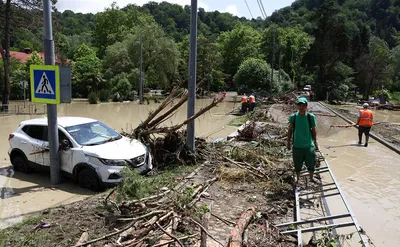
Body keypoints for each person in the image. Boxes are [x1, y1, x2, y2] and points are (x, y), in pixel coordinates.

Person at [287, 97, 319, 185]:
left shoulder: (310, 117)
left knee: (311, 162)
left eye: (303, 105)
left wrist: (315, 142)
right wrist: (288, 142)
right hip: (297, 146)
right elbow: (290, 130)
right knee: (297, 164)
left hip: (309, 145)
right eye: (300, 105)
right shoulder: (293, 117)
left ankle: (311, 178)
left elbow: (314, 130)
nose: (302, 107)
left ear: (306, 106)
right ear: (297, 106)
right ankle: (298, 179)